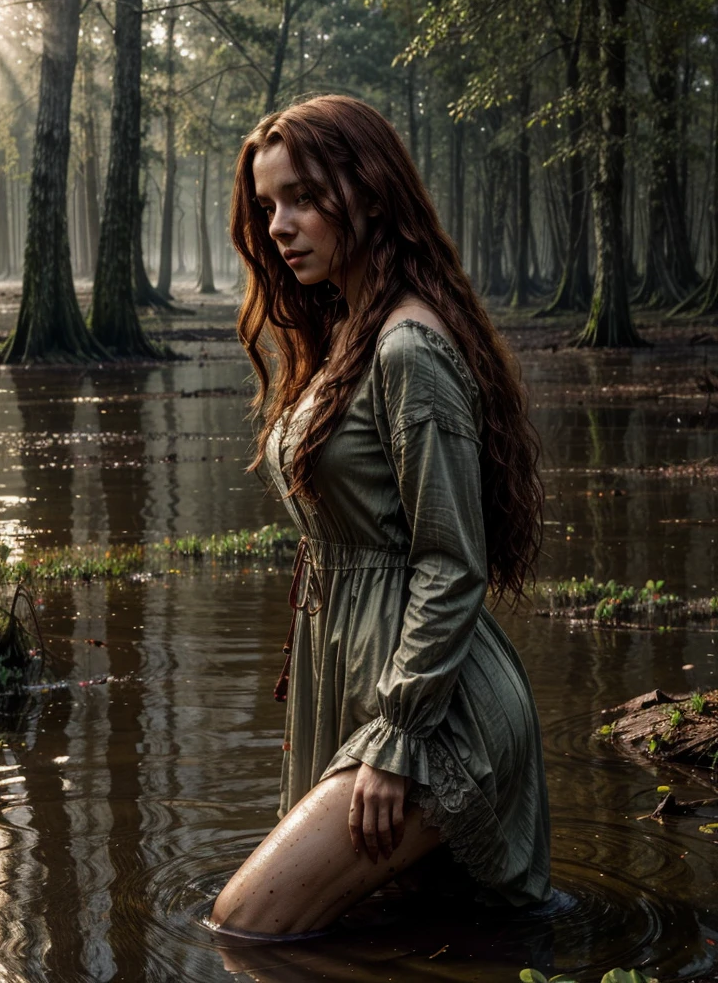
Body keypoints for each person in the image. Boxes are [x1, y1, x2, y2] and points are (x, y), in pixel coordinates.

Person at [209, 94, 551, 939]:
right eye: (267, 207)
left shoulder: (407, 348)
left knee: (247, 924)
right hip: (370, 690)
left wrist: (398, 735)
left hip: (437, 716)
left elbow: (450, 560)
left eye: (301, 197)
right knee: (388, 937)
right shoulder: (349, 336)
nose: (280, 226)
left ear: (365, 191)